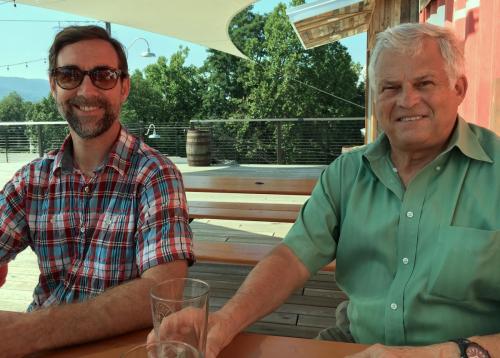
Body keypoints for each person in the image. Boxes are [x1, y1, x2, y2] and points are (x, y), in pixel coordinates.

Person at [167, 23, 498, 357]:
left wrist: (438, 354)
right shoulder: (347, 173)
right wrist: (224, 320)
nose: (407, 100)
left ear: (459, 88)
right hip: (354, 344)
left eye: (424, 83)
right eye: (390, 87)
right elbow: (292, 257)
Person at [0, 25, 193, 356]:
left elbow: (164, 292)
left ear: (124, 87)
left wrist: (30, 331)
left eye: (103, 75)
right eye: (69, 75)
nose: (86, 90)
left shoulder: (155, 175)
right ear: (53, 86)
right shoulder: (31, 180)